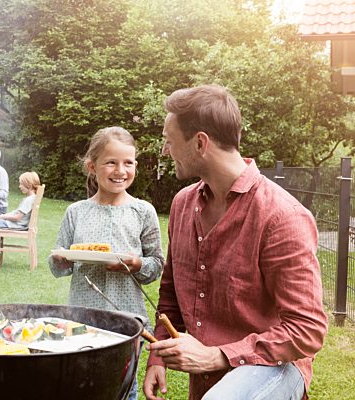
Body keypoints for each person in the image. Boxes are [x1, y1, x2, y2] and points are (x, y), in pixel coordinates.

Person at [143, 84, 328, 400]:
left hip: (277, 365)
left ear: (200, 143)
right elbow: (171, 290)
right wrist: (159, 353)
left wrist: (216, 356)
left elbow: (306, 329)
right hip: (212, 376)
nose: (164, 150)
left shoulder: (282, 216)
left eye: (169, 141)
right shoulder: (182, 205)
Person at [48, 127, 165, 400]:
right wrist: (61, 259)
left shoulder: (143, 211)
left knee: (122, 388)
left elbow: (157, 264)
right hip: (81, 319)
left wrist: (137, 264)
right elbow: (58, 266)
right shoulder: (76, 212)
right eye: (111, 162)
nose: (120, 170)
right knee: (81, 387)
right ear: (92, 166)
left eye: (128, 163)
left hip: (128, 321)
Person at [0, 171, 41, 270]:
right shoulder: (31, 198)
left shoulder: (29, 200)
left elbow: (17, 217)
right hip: (18, 223)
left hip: (16, 224)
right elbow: (17, 213)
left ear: (28, 185)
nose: (19, 186)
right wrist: (2, 215)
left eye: (21, 184)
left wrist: (1, 217)